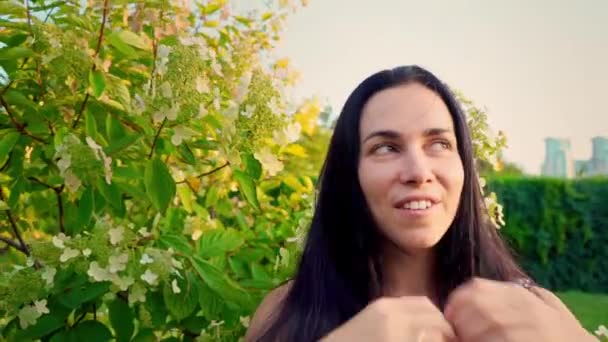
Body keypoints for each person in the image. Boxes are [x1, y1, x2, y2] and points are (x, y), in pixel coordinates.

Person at [245, 66, 596, 342]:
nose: (418, 172)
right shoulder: (287, 313)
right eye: (386, 148)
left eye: (439, 144)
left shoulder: (538, 314)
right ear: (351, 174)